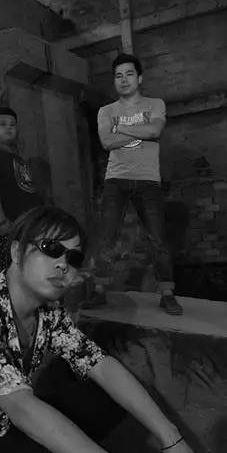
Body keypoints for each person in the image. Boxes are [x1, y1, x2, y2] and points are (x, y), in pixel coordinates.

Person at [0, 205, 208, 453]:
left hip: (9, 433)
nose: (63, 264)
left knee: (102, 397)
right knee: (39, 443)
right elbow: (21, 407)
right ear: (17, 251)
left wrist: (171, 439)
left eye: (73, 257)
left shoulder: (48, 312)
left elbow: (101, 366)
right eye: (51, 248)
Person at [89, 53, 182, 315]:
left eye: (129, 74)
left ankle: (167, 294)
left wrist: (119, 129)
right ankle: (99, 291)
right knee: (106, 237)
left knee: (158, 238)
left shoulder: (155, 104)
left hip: (148, 180)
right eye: (118, 76)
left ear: (139, 78)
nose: (124, 80)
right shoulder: (106, 111)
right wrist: (139, 129)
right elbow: (106, 142)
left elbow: (154, 131)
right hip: (115, 180)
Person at [0, 106, 44, 270]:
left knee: (31, 271)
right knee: (14, 272)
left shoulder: (17, 158)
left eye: (12, 125)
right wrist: (2, 222)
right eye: (3, 124)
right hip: (10, 227)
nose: (8, 128)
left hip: (29, 226)